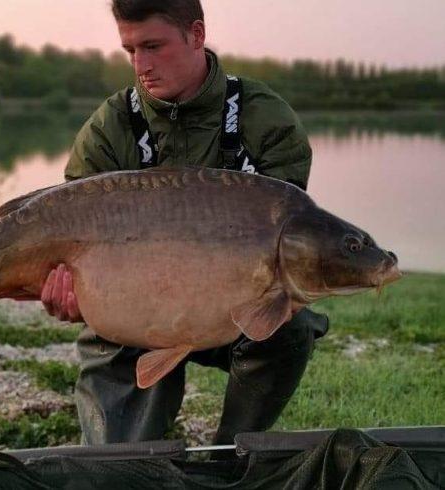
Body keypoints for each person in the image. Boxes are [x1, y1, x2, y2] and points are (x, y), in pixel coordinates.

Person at [40, 0, 329, 445]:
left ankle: (232, 454)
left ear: (196, 34)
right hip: (132, 313)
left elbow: (290, 244)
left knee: (290, 325)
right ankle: (133, 455)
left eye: (153, 46)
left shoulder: (266, 120)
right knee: (122, 469)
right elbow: (69, 234)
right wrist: (72, 292)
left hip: (230, 310)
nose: (141, 65)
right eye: (130, 50)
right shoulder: (108, 130)